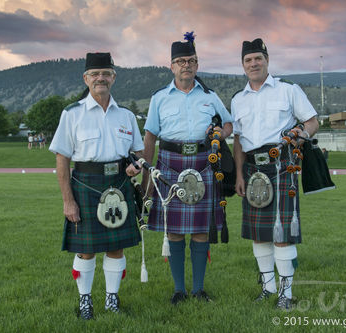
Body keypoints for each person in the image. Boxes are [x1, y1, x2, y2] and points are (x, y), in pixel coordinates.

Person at [49, 52, 144, 320]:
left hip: (119, 183)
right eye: (95, 74)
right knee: (86, 248)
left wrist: (135, 165)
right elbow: (62, 160)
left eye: (106, 73)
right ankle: (85, 300)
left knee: (116, 246)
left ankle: (112, 300)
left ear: (113, 77)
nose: (100, 78)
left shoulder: (126, 116)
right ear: (86, 78)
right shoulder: (72, 114)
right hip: (85, 184)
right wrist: (68, 201)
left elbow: (138, 153)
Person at [142, 32, 233, 304]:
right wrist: (147, 178)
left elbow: (229, 124)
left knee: (201, 229)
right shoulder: (159, 98)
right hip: (170, 163)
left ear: (197, 64)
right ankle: (179, 290)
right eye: (180, 61)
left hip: (204, 164)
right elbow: (150, 138)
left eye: (191, 60)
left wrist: (220, 132)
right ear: (171, 66)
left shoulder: (209, 96)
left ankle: (198, 289)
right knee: (175, 230)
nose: (186, 65)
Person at [232, 38, 319, 310]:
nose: (253, 63)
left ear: (267, 60)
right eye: (248, 60)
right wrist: (238, 175)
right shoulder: (237, 100)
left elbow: (312, 122)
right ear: (243, 65)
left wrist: (300, 136)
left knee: (282, 234)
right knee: (259, 233)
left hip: (282, 164)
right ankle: (268, 288)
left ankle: (286, 293)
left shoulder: (288, 90)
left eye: (258, 58)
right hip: (251, 167)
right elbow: (237, 141)